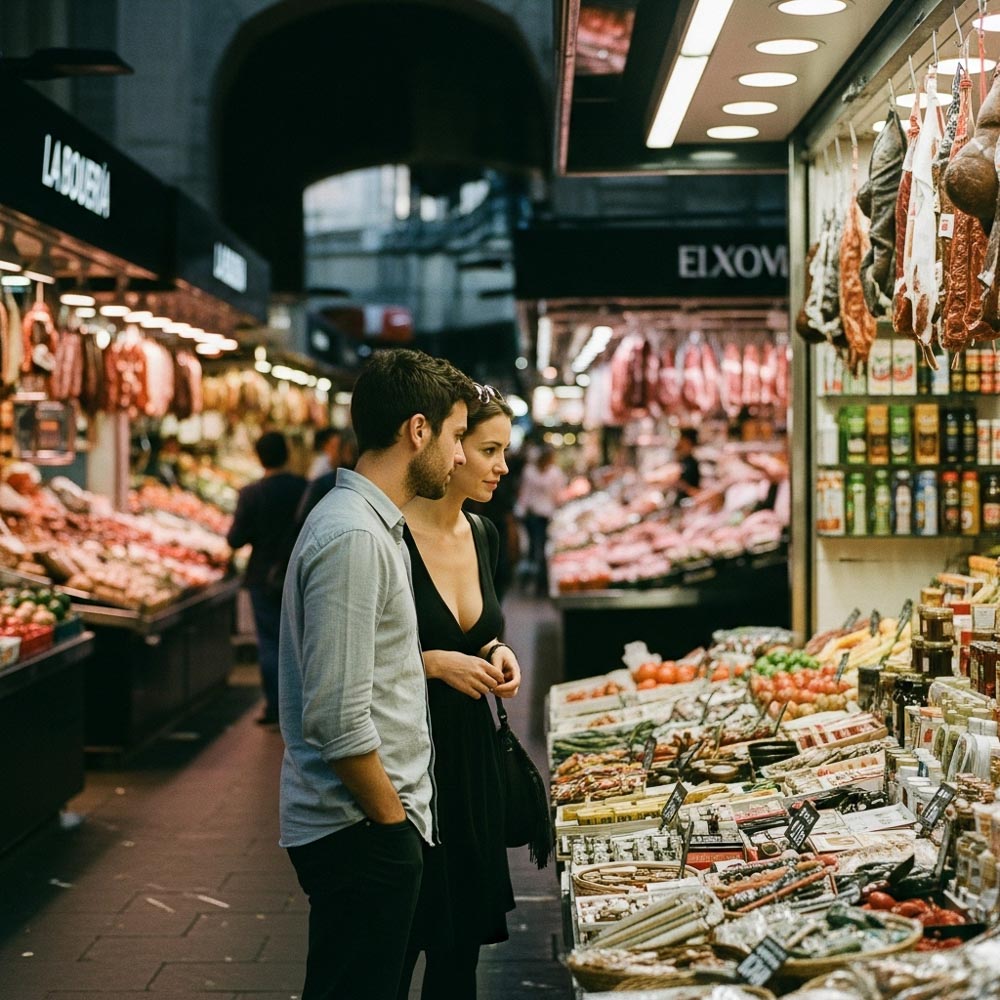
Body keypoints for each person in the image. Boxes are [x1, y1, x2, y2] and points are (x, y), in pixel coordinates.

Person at [279, 348, 475, 1000]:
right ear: (417, 430)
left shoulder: (373, 526)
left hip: (368, 827)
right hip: (359, 831)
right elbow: (335, 714)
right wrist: (393, 829)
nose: (459, 459)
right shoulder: (355, 536)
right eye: (453, 437)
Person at [399, 383, 520, 1000]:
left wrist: (496, 653)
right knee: (397, 948)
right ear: (450, 449)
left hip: (471, 763)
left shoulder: (483, 535)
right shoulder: (388, 541)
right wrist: (429, 664)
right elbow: (357, 657)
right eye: (489, 449)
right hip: (408, 761)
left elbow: (479, 632)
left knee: (458, 958)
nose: (503, 466)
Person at [226, 431, 307, 726]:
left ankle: (277, 709)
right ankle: (301, 708)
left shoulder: (251, 494)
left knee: (271, 643)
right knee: (301, 641)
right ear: (287, 452)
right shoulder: (304, 488)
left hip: (262, 576)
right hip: (300, 573)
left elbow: (235, 538)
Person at [517, 443, 566, 596]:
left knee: (539, 549)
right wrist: (521, 510)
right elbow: (525, 493)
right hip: (533, 516)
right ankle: (535, 581)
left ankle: (538, 582)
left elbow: (557, 495)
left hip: (545, 516)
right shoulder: (530, 472)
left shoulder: (554, 473)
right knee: (536, 548)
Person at [295, 428, 357, 528]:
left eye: (334, 448)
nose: (329, 454)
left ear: (347, 450)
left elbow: (302, 521)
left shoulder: (323, 484)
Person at [675, 427, 701, 498]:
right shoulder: (682, 460)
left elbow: (697, 491)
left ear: (687, 441)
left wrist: (682, 485)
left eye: (681, 439)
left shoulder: (694, 463)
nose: (678, 441)